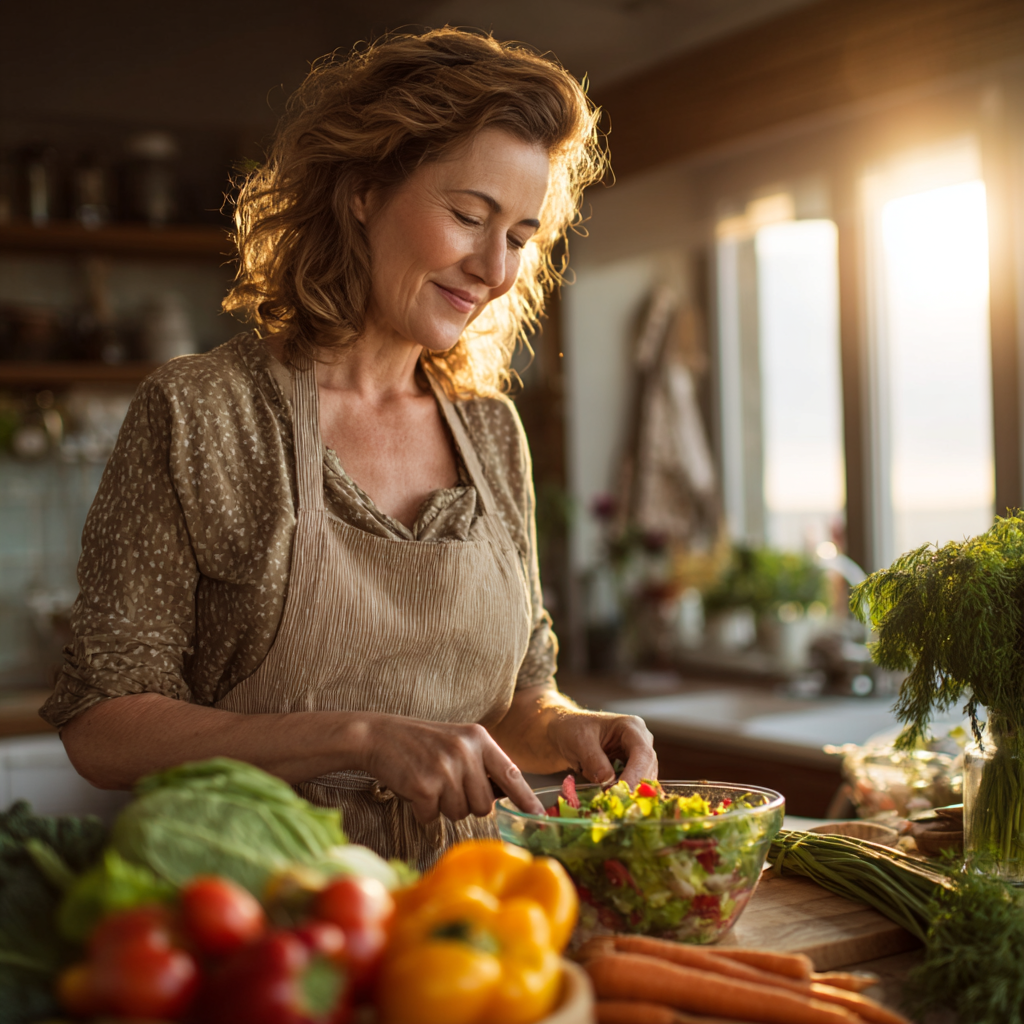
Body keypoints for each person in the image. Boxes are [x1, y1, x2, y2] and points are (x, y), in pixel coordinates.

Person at [42, 28, 657, 866]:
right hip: (269, 921)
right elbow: (103, 727)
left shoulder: (489, 434)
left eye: (518, 236)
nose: (494, 268)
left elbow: (514, 698)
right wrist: (361, 738)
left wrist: (568, 727)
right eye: (468, 216)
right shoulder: (204, 415)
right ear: (364, 190)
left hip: (475, 922)